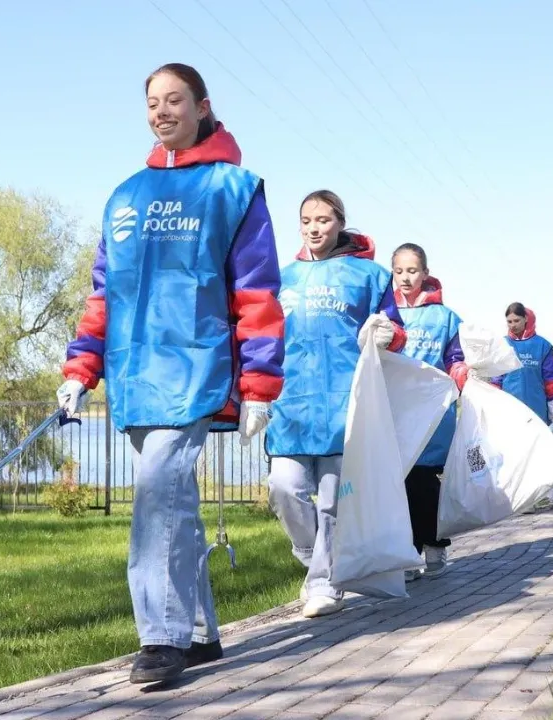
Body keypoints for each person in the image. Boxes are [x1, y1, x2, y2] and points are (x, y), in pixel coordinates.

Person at [58, 64, 285, 684]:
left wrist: (261, 383)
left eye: (174, 100)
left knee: (156, 495)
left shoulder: (234, 189)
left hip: (196, 369)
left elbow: (257, 291)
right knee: (173, 502)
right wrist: (81, 368)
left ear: (202, 106)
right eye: (152, 102)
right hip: (135, 375)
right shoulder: (124, 196)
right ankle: (201, 632)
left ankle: (160, 640)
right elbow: (103, 294)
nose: (162, 111)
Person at [265, 190, 406, 619]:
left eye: (324, 220)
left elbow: (396, 332)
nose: (314, 228)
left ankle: (324, 583)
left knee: (331, 501)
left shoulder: (367, 275)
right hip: (290, 405)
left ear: (340, 223)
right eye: (306, 220)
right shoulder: (281, 278)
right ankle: (314, 556)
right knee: (284, 487)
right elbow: (259, 336)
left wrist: (386, 335)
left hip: (345, 404)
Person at [391, 243, 469, 581]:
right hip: (395, 412)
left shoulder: (445, 317)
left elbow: (456, 358)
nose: (406, 278)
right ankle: (407, 553)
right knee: (398, 484)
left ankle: (435, 546)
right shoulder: (384, 314)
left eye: (412, 271)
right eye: (399, 271)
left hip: (435, 414)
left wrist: (462, 374)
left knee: (428, 483)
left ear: (425, 273)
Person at [495, 303, 553, 425]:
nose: (513, 325)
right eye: (509, 322)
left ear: (526, 318)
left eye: (516, 321)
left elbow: (551, 380)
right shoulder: (502, 344)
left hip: (536, 407)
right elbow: (496, 378)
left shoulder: (543, 345)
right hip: (509, 408)